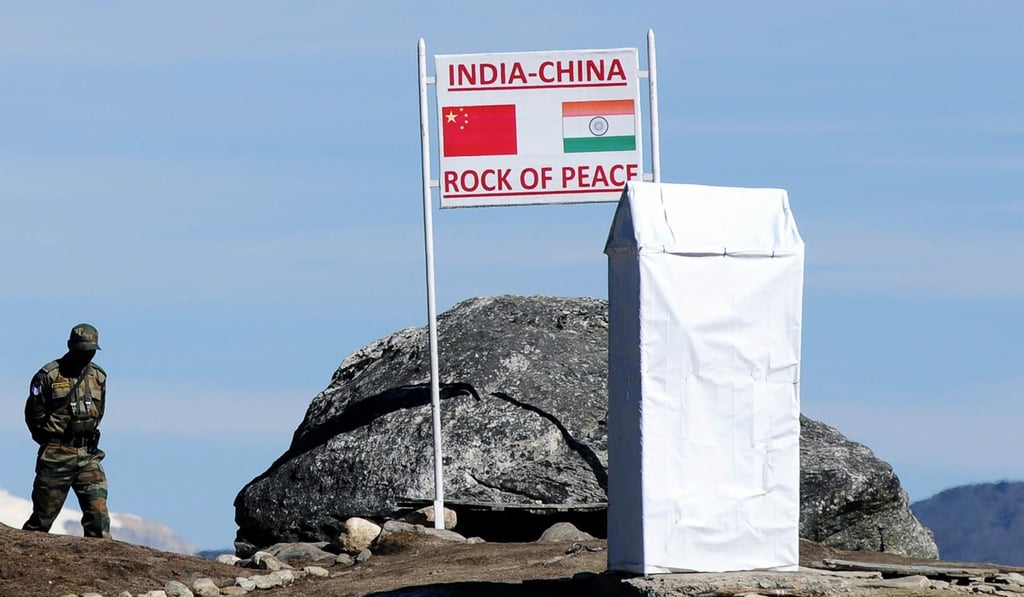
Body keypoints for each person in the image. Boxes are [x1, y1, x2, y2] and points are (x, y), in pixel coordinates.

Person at [23, 323, 110, 538]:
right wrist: (52, 441)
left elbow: (100, 410)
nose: (86, 356)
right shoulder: (49, 376)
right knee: (41, 521)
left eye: (90, 351)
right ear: (70, 346)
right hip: (56, 455)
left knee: (98, 518)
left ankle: (99, 566)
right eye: (82, 350)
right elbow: (34, 415)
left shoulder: (98, 376)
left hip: (88, 455)